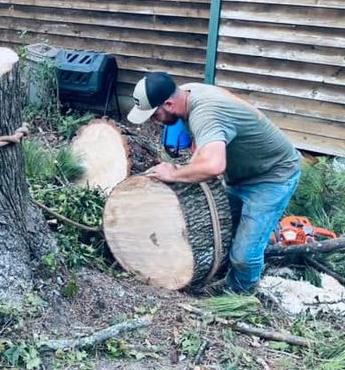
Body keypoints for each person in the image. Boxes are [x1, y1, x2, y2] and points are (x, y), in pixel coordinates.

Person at [127, 72, 301, 293]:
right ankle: (249, 250)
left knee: (244, 256)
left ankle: (241, 295)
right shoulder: (187, 91)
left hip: (273, 177)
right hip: (241, 173)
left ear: (169, 104)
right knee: (224, 231)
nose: (154, 120)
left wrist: (173, 173)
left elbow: (214, 166)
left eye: (154, 114)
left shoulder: (206, 113)